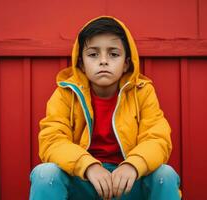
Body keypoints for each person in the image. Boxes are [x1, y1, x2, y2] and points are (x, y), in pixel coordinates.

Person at [29, 16, 181, 200]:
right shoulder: (65, 94)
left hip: (128, 183)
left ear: (126, 63)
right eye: (93, 54)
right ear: (81, 64)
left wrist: (132, 165)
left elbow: (157, 138)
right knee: (45, 174)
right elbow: (52, 140)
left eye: (113, 54)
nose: (103, 61)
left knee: (165, 175)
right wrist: (88, 166)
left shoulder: (142, 92)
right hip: (84, 181)